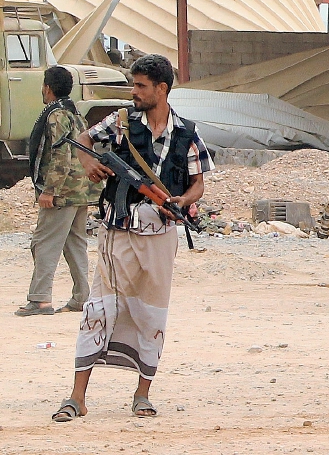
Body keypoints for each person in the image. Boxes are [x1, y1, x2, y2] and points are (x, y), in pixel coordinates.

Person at [52, 54, 212, 422]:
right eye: (133, 84)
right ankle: (77, 397)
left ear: (162, 89)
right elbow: (83, 138)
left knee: (150, 312)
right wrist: (89, 163)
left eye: (140, 86)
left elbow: (197, 183)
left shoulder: (187, 132)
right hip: (117, 230)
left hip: (160, 234)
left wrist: (181, 201)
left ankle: (142, 394)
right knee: (99, 308)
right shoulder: (122, 122)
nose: (133, 92)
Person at [15, 67, 99, 317]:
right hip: (81, 190)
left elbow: (60, 154)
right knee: (75, 244)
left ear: (48, 88)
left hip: (63, 192)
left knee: (44, 243)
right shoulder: (76, 114)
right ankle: (82, 298)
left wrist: (49, 190)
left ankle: (40, 299)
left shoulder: (56, 116)